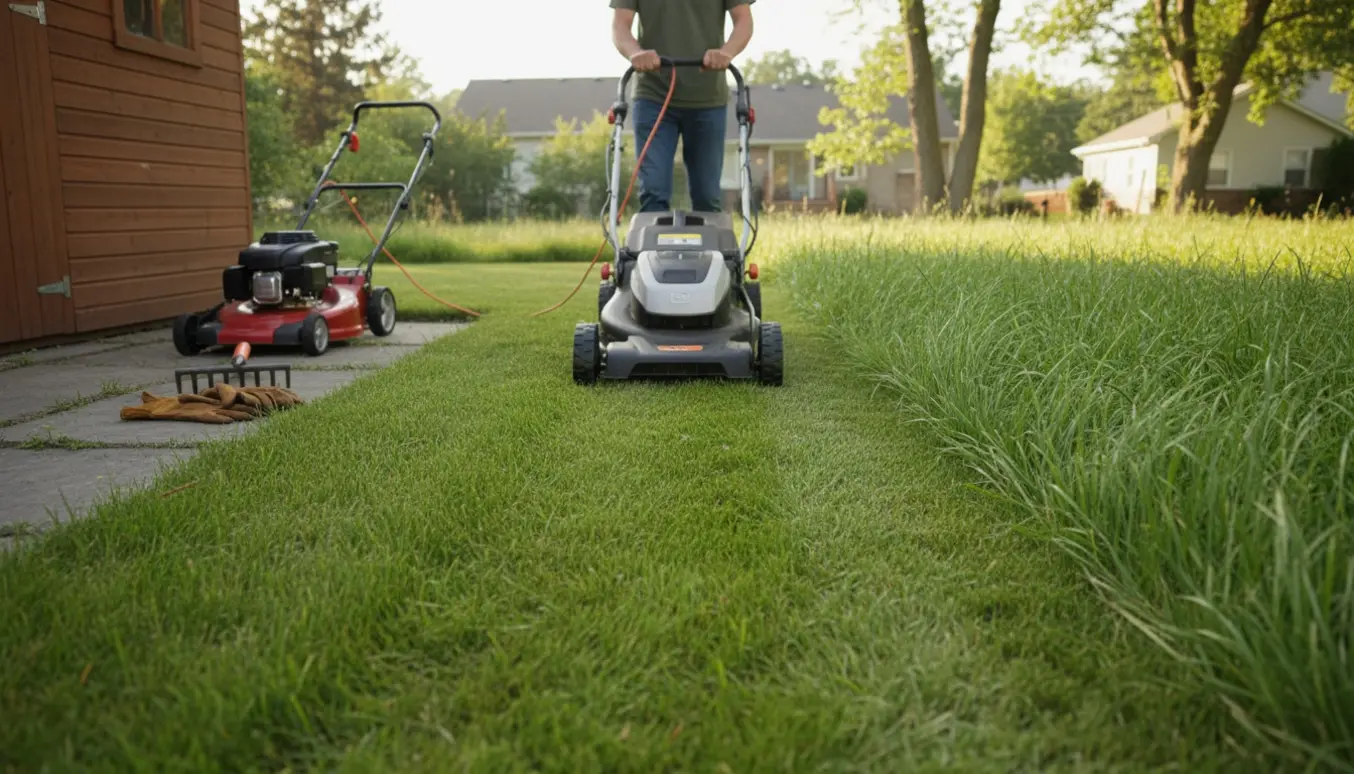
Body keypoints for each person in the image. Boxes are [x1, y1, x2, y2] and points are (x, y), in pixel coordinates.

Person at [609, 0, 754, 214]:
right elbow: (620, 24)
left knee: (707, 196)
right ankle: (654, 248)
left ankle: (708, 247)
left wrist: (726, 52)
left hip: (707, 98)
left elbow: (743, 20)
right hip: (653, 96)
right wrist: (635, 53)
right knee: (653, 193)